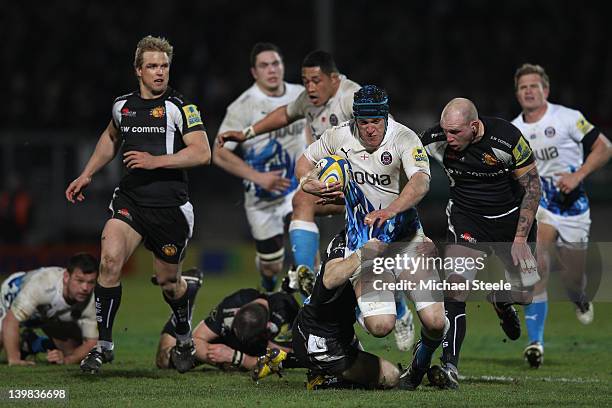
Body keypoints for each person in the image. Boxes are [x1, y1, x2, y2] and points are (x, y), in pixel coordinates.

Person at [217, 51, 415, 352]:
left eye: (316, 80)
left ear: (334, 79)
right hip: (341, 189)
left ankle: (398, 308)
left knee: (367, 260)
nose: (309, 87)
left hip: (375, 196)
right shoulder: (309, 100)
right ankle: (307, 275)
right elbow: (284, 114)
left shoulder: (351, 98)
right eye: (306, 80)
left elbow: (390, 136)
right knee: (302, 200)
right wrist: (246, 133)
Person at [65, 35, 211, 374]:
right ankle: (103, 346)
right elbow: (111, 137)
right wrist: (87, 173)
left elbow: (202, 153)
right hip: (131, 201)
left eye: (164, 66)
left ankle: (184, 333)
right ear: (138, 70)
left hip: (170, 209)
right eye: (152, 66)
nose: (160, 73)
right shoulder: (122, 106)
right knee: (110, 261)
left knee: (169, 284)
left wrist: (154, 160)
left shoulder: (180, 107)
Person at [296, 85, 448, 390]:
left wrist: (390, 210)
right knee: (380, 327)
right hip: (365, 245)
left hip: (407, 241)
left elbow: (420, 182)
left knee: (435, 322)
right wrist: (310, 185)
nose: (369, 130)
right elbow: (304, 164)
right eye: (363, 122)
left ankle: (419, 363)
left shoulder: (405, 138)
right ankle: (364, 321)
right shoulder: (339, 136)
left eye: (375, 122)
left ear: (385, 116)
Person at [420, 97, 541, 388]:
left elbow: (533, 187)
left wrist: (520, 238)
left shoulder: (508, 139)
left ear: (474, 127)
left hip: (510, 221)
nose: (448, 138)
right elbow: (407, 177)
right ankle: (449, 367)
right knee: (456, 287)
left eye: (456, 133)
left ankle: (500, 300)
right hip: (467, 219)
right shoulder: (433, 140)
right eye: (445, 131)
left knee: (524, 296)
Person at [511, 63, 612, 368]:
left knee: (573, 277)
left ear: (546, 90)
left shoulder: (568, 118)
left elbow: (604, 147)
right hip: (541, 206)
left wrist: (579, 175)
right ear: (517, 94)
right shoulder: (514, 131)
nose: (528, 90)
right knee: (539, 262)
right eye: (522, 87)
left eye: (533, 85)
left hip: (573, 207)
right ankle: (535, 342)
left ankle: (579, 295)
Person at [213, 43, 307, 292]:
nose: (272, 70)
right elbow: (219, 153)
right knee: (271, 266)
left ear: (283, 66)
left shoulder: (301, 94)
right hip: (261, 198)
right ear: (254, 73)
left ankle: (311, 314)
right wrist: (258, 177)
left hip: (297, 189)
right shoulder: (243, 106)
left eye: (275, 63)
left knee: (305, 250)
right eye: (264, 65)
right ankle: (269, 283)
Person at [155, 280, 300, 372]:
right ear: (237, 312)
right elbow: (197, 338)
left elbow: (281, 361)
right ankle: (184, 305)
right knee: (166, 360)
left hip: (250, 351)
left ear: (267, 329)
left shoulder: (284, 318)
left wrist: (237, 358)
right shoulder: (232, 305)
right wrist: (214, 354)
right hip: (225, 343)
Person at [0, 253, 98, 366]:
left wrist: (66, 360)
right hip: (10, 302)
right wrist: (14, 359)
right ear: (66, 277)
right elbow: (11, 320)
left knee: (72, 351)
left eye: (90, 282)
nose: (85, 288)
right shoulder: (43, 284)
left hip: (47, 316)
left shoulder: (92, 300)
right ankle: (23, 344)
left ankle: (33, 344)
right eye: (80, 281)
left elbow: (91, 342)